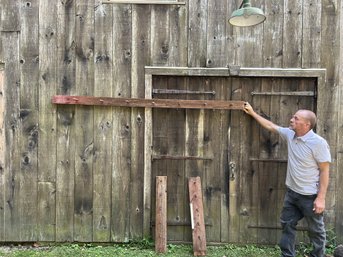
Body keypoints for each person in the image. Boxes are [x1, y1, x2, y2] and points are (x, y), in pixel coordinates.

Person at [243, 102, 331, 257]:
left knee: (316, 231)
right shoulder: (291, 134)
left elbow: (324, 171)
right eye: (293, 117)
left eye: (296, 118)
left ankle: (318, 255)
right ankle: (287, 255)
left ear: (306, 124)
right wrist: (252, 113)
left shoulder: (319, 143)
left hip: (310, 196)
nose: (291, 120)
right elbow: (270, 126)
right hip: (292, 194)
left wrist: (321, 198)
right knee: (287, 225)